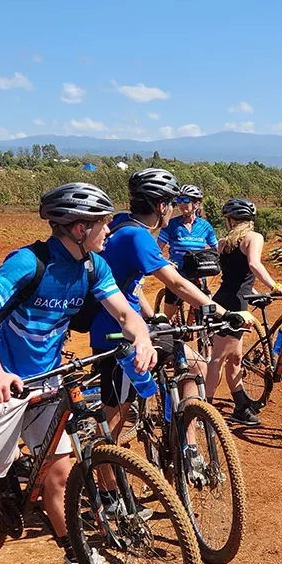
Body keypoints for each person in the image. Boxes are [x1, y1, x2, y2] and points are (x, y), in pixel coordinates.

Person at [0, 182, 156, 564]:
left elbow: (126, 314)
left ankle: (76, 562)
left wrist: (141, 338)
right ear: (77, 229)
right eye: (102, 223)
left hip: (49, 384)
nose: (109, 230)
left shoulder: (94, 266)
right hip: (5, 386)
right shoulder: (29, 261)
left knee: (59, 477)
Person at [88, 170, 248, 422]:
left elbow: (127, 283)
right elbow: (177, 284)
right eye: (173, 203)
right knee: (114, 418)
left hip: (113, 323)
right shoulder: (138, 236)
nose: (175, 208)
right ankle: (183, 451)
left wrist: (153, 316)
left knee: (188, 363)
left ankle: (183, 444)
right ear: (162, 206)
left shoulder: (120, 223)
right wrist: (224, 313)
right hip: (119, 334)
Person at [207, 198, 282, 426]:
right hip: (236, 304)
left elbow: (236, 277)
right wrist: (276, 287)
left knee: (234, 358)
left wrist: (254, 291)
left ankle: (240, 406)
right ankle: (204, 411)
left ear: (230, 221)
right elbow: (254, 265)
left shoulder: (223, 243)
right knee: (218, 359)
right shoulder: (253, 238)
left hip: (226, 299)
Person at [155, 183, 219, 318]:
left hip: (199, 273)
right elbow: (157, 249)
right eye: (179, 200)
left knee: (207, 310)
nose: (181, 204)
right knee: (168, 318)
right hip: (176, 275)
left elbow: (216, 249)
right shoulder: (171, 224)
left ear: (196, 204)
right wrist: (165, 263)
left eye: (186, 200)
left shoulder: (205, 226)